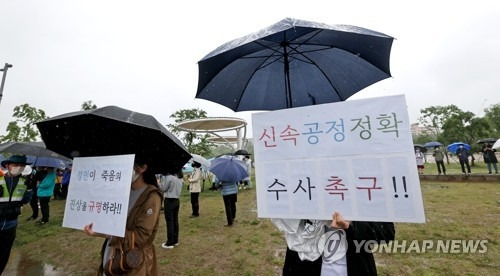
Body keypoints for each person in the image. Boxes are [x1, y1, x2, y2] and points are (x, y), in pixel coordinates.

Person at [83, 157, 163, 275]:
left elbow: (140, 237)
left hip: (133, 263)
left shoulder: (151, 197)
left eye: (124, 164)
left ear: (142, 168)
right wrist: (97, 230)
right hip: (112, 255)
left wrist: (109, 233)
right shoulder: (121, 191)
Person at [280, 211, 395, 276]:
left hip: (354, 266)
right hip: (303, 267)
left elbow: (386, 231)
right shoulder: (301, 180)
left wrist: (352, 225)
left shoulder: (362, 185)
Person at [0, 155, 34, 274]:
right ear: (8, 166)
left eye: (22, 166)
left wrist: (29, 189)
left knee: (4, 254)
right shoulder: (0, 179)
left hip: (11, 224)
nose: (19, 168)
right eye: (16, 165)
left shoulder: (24, 182)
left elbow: (25, 201)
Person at [159, 170, 183, 249]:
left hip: (169, 200)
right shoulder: (180, 178)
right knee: (175, 221)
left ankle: (170, 242)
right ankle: (175, 240)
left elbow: (163, 189)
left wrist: (158, 183)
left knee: (169, 222)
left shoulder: (169, 177)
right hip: (176, 200)